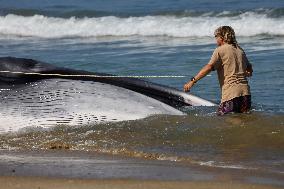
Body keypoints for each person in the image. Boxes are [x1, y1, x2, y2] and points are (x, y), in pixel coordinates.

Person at [183, 26, 253, 115]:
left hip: (231, 94)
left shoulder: (220, 50)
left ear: (222, 37)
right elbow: (249, 68)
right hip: (246, 94)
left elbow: (208, 67)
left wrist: (192, 81)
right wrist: (245, 73)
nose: (216, 39)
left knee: (223, 122)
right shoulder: (240, 50)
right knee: (242, 122)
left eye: (216, 36)